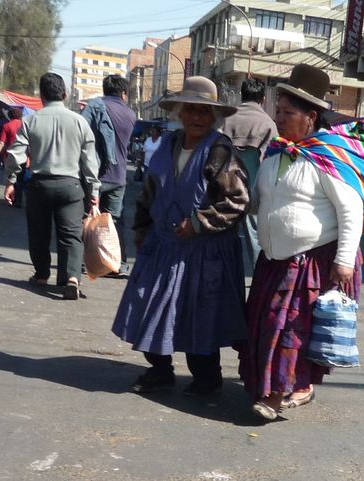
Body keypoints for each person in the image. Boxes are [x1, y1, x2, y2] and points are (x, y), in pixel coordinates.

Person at [238, 64, 364, 421]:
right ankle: (290, 386)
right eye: (277, 111)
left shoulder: (329, 158)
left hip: (310, 262)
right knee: (266, 327)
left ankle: (276, 395)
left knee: (289, 330)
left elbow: (350, 211)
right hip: (272, 260)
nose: (278, 118)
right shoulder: (276, 154)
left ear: (310, 116)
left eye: (287, 113)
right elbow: (260, 201)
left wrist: (343, 261)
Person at [111, 76, 250, 397]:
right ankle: (160, 370)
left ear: (213, 116)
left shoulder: (219, 151)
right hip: (163, 246)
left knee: (199, 315)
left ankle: (207, 377)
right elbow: (148, 193)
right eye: (191, 110)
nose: (197, 117)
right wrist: (141, 229)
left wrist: (199, 223)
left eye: (204, 112)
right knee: (149, 306)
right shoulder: (167, 145)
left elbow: (238, 201)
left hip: (204, 251)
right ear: (180, 113)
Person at [4, 73, 100, 300]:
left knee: (39, 233)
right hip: (71, 187)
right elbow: (90, 162)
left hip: (39, 185)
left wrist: (11, 181)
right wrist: (93, 191)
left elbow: (16, 155)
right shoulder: (79, 122)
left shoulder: (31, 121)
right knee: (71, 235)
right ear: (65, 94)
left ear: (41, 95)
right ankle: (72, 278)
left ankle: (41, 275)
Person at [82, 74, 136, 277]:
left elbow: (84, 135)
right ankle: (117, 263)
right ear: (123, 93)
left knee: (88, 218)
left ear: (105, 89)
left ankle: (85, 260)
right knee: (115, 222)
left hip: (94, 174)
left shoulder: (94, 106)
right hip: (119, 176)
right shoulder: (131, 114)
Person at [220, 77, 278, 266]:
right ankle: (256, 285)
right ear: (263, 99)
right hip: (254, 193)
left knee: (222, 238)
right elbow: (273, 163)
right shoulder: (269, 124)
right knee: (255, 240)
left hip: (224, 191)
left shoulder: (226, 119)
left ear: (241, 95)